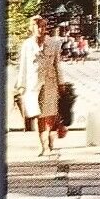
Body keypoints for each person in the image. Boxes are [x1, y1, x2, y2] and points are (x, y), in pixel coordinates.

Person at [13, 14, 63, 156]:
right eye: (37, 26)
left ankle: (48, 139)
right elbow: (23, 66)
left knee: (50, 114)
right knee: (37, 114)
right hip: (33, 84)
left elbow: (57, 64)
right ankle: (42, 144)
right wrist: (21, 85)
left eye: (43, 26)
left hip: (50, 82)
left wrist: (61, 82)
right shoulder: (27, 45)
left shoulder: (53, 43)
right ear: (32, 28)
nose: (40, 29)